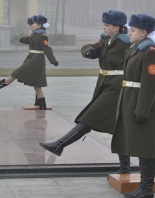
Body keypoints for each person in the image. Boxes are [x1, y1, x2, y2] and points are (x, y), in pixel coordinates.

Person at [39, 10, 133, 174]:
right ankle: (125, 167)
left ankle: (60, 145)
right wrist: (90, 51)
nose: (104, 27)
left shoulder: (126, 43)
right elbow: (87, 48)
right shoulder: (106, 40)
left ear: (117, 27)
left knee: (90, 117)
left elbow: (139, 59)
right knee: (120, 126)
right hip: (105, 84)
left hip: (118, 86)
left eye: (108, 25)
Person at [111, 13, 155, 198]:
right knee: (139, 143)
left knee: (146, 145)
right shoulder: (136, 49)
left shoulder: (150, 53)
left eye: (133, 30)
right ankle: (143, 187)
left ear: (144, 32)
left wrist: (142, 111)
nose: (129, 33)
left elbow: (149, 84)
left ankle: (147, 189)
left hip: (142, 103)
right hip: (130, 99)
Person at [0, 15, 58, 110]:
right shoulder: (35, 34)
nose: (32, 25)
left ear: (39, 25)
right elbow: (27, 40)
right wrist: (22, 39)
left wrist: (53, 60)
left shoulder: (42, 37)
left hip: (36, 61)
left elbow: (47, 49)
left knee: (16, 73)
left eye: (34, 23)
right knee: (36, 84)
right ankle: (42, 104)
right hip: (32, 59)